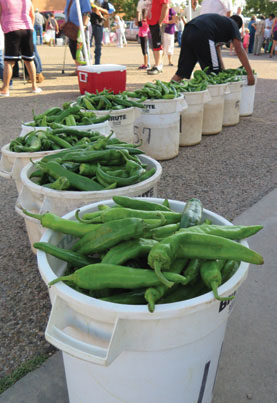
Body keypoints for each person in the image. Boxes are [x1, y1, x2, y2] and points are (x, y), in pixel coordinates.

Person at [171, 14, 255, 87]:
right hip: (204, 32)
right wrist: (250, 73)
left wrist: (222, 69)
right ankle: (214, 103)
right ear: (238, 26)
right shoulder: (233, 25)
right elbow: (239, 49)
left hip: (188, 30)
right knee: (214, 74)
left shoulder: (221, 23)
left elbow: (216, 48)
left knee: (181, 73)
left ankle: (167, 94)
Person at [0, 0, 42, 96]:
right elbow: (32, 15)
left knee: (9, 62)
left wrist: (3, 27)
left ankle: (5, 88)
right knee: (29, 60)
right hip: (27, 29)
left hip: (11, 29)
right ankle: (34, 86)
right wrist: (30, 27)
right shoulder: (27, 1)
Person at [64, 0, 91, 75]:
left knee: (82, 48)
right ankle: (78, 69)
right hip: (71, 27)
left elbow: (87, 13)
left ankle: (85, 68)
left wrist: (84, 26)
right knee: (73, 47)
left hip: (80, 28)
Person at [145, 0, 170, 75]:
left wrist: (160, 21)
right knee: (155, 44)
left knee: (157, 44)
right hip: (153, 21)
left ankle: (157, 66)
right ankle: (158, 64)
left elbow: (166, 6)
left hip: (157, 22)